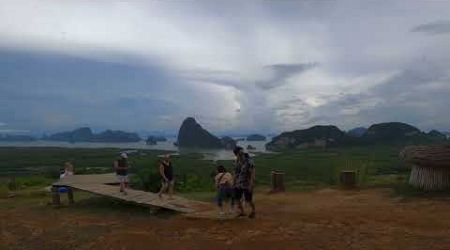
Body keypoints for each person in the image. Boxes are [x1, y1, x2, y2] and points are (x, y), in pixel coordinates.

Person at [233, 146, 256, 218]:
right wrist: (234, 182)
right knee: (237, 198)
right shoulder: (237, 161)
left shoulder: (249, 161)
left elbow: (252, 172)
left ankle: (253, 211)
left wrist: (251, 183)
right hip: (238, 183)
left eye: (240, 153)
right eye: (238, 153)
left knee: (248, 199)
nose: (240, 154)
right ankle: (242, 212)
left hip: (247, 183)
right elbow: (235, 172)